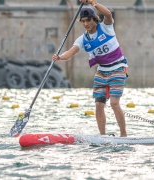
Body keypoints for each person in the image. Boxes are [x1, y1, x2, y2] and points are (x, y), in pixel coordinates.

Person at [52, 0, 128, 137]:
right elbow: (71, 52)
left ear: (94, 19)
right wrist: (59, 57)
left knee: (114, 103)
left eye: (88, 20)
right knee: (99, 105)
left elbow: (108, 14)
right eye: (83, 21)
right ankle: (103, 136)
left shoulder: (105, 27)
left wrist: (92, 2)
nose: (86, 24)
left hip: (118, 68)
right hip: (102, 71)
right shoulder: (82, 39)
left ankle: (123, 135)